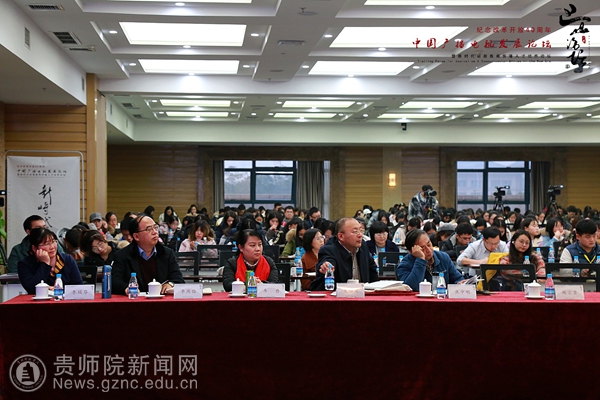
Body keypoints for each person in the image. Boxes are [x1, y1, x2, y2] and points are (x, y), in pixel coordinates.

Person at [112, 214, 185, 295]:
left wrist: (170, 284)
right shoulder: (122, 256)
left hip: (161, 301)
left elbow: (178, 279)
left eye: (155, 227)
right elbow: (115, 282)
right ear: (136, 236)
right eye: (149, 229)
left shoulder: (167, 253)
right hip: (135, 300)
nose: (155, 232)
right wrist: (127, 289)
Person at [310, 218, 379, 290]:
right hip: (336, 295)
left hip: (362, 294)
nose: (360, 235)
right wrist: (327, 266)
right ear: (341, 236)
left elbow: (373, 272)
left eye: (361, 230)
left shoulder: (363, 246)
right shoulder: (329, 249)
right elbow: (328, 261)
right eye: (355, 231)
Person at [17, 228, 83, 294]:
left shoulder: (67, 259)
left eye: (53, 242)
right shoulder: (25, 264)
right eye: (46, 244)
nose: (52, 247)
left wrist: (58, 291)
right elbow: (31, 288)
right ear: (34, 248)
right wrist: (45, 264)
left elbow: (78, 287)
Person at [396, 229, 465, 291]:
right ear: (411, 251)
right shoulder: (405, 264)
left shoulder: (443, 257)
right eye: (422, 248)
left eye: (429, 244)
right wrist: (420, 260)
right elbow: (411, 288)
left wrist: (459, 284)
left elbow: (458, 279)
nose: (428, 250)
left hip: (442, 297)